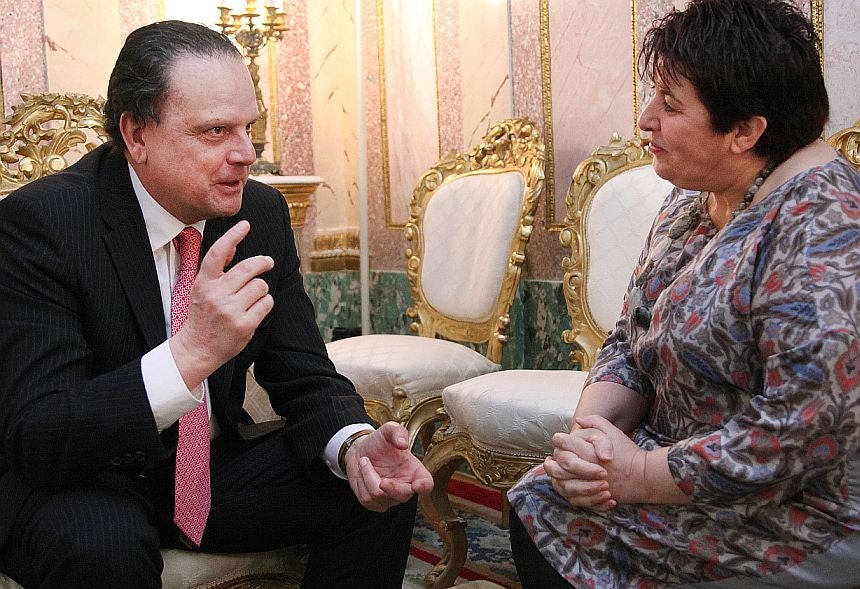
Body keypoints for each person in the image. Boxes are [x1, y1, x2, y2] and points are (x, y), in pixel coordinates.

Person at [0, 20, 432, 588]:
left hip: (207, 469)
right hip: (83, 474)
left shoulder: (260, 214)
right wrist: (192, 354)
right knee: (103, 544)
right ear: (137, 134)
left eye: (249, 127)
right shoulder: (44, 224)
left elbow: (303, 373)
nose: (246, 153)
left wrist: (352, 445)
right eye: (215, 131)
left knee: (376, 487)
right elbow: (40, 434)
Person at [507, 1, 860, 587]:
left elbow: (802, 429)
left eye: (670, 106)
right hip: (675, 459)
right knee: (542, 496)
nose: (645, 120)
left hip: (798, 502)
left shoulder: (826, 225)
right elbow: (629, 337)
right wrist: (591, 441)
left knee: (554, 518)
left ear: (745, 131)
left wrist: (638, 474)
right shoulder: (693, 200)